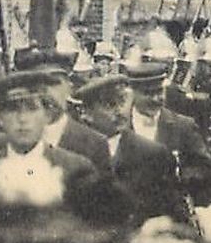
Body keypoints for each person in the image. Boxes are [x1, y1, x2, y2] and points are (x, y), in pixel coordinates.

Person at [0, 71, 97, 196]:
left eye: (32, 109)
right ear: (0, 117)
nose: (23, 119)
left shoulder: (74, 168)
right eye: (13, 109)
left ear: (47, 115)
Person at [75, 75, 181, 222]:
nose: (120, 112)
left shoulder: (152, 153)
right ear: (85, 113)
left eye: (122, 102)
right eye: (109, 105)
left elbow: (170, 211)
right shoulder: (72, 149)